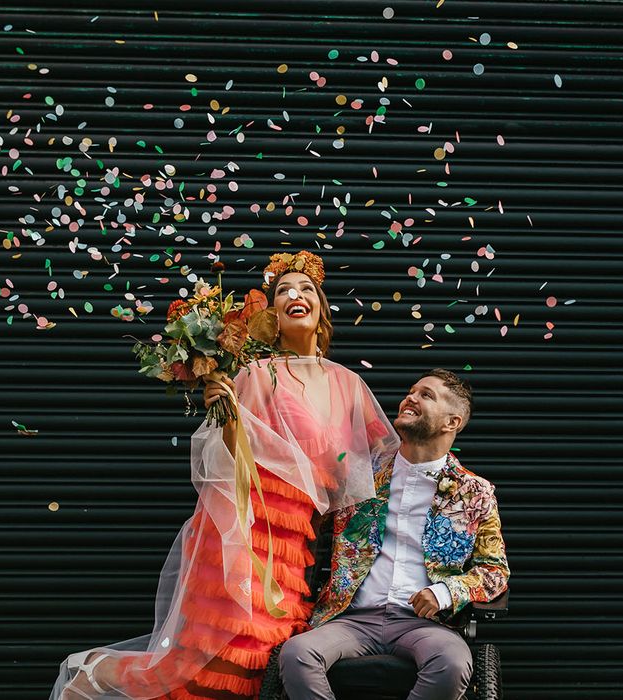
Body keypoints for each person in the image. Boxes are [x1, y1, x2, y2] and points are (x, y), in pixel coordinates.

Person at [50, 251, 399, 700]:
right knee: (220, 649)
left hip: (295, 544)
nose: (295, 295)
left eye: (306, 288)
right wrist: (227, 409)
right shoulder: (257, 372)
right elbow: (234, 459)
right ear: (271, 314)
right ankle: (87, 687)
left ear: (321, 308)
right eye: (283, 291)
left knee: (260, 658)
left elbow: (369, 475)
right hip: (243, 529)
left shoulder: (348, 384)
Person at [279, 369, 510, 700]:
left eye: (426, 395)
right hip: (352, 618)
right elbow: (302, 512)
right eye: (411, 391)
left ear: (452, 422)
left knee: (453, 663)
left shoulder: (474, 492)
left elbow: (494, 571)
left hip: (424, 625)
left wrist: (446, 592)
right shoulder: (358, 474)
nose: (410, 397)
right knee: (296, 655)